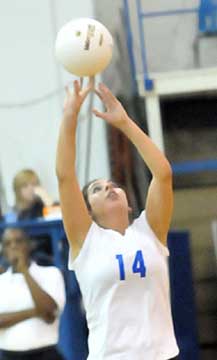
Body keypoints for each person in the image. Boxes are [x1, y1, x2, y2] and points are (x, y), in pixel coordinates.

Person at [56, 78, 179, 360]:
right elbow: (65, 176)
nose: (109, 188)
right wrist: (70, 118)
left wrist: (125, 123)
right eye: (97, 189)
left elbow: (163, 174)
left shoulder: (150, 231)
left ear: (127, 201)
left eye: (112, 184)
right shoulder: (86, 242)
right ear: (88, 211)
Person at [0, 228, 66, 360]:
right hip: (8, 356)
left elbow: (49, 311)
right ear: (3, 251)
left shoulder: (51, 273)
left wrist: (24, 271)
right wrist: (35, 312)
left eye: (18, 241)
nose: (13, 246)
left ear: (29, 245)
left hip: (45, 354)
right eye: (8, 243)